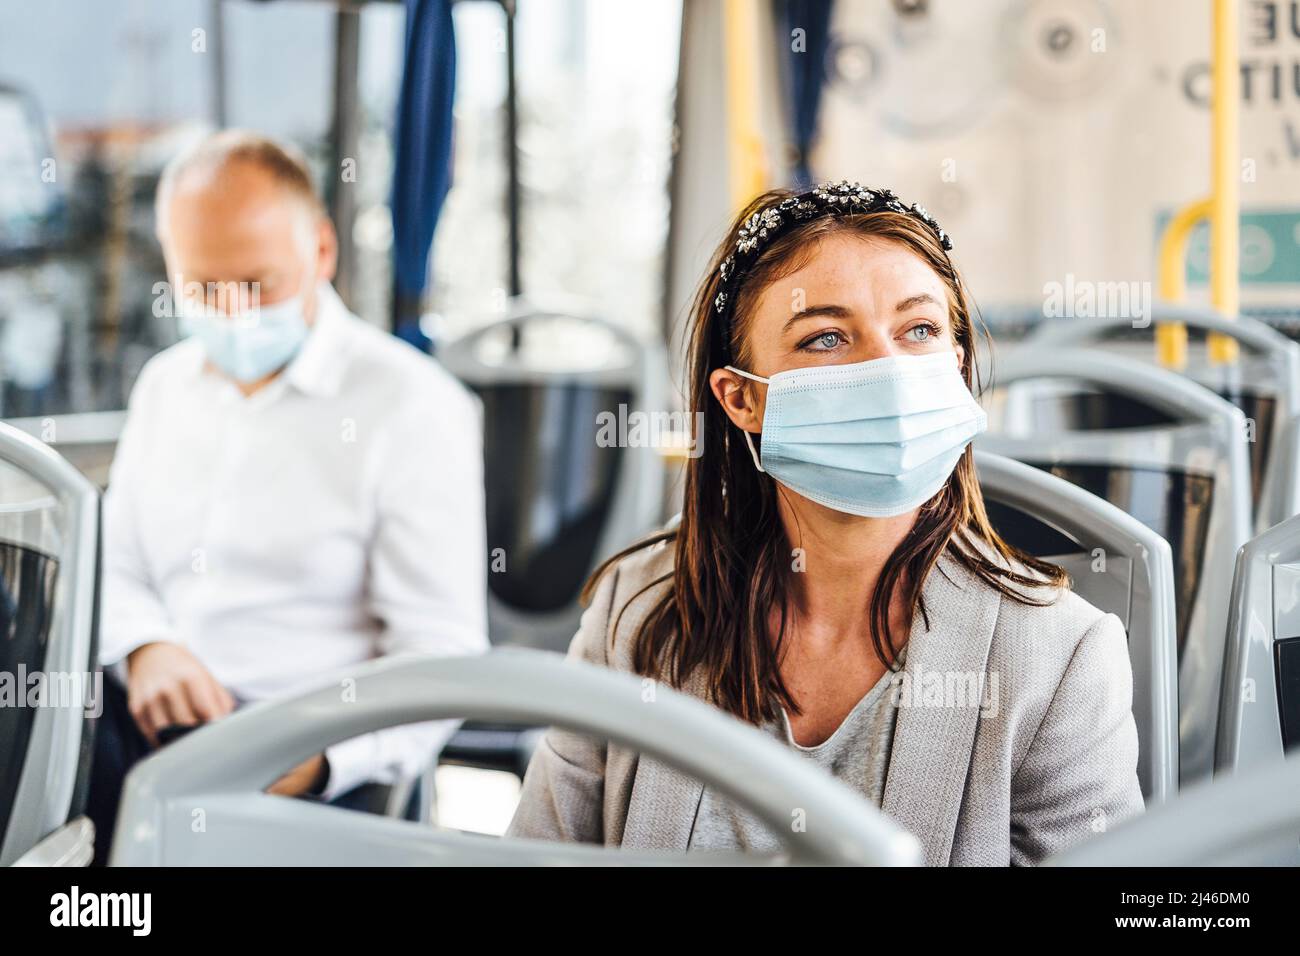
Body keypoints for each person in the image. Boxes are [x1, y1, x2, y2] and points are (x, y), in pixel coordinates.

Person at [507, 181, 1143, 865]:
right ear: (743, 399)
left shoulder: (1058, 656)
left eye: (920, 329)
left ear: (957, 364)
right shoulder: (637, 611)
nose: (888, 369)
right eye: (827, 338)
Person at [88, 130, 487, 861]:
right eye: (205, 290)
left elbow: (443, 655)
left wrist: (321, 761)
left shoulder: (412, 406)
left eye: (259, 285)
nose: (234, 313)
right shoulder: (165, 389)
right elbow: (114, 564)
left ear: (323, 253)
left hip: (307, 762)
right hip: (143, 725)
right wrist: (147, 646)